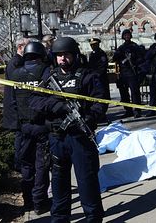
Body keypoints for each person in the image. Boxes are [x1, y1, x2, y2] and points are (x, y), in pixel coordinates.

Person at [30, 37, 106, 221]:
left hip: (80, 138)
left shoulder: (87, 76)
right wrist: (58, 107)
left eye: (66, 55)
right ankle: (59, 218)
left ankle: (93, 218)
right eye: (59, 56)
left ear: (75, 55)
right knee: (59, 183)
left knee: (87, 182)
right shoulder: (49, 78)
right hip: (57, 138)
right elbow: (34, 100)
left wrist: (89, 117)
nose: (62, 59)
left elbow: (100, 102)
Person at [11, 42, 51, 215]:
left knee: (27, 165)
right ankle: (39, 202)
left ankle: (28, 201)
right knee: (42, 165)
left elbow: (12, 101)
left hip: (23, 126)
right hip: (42, 126)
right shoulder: (45, 71)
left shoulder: (15, 74)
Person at [2, 37, 30, 172]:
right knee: (20, 138)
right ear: (20, 47)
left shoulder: (20, 61)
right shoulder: (15, 63)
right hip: (15, 107)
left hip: (20, 106)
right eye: (27, 46)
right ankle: (19, 165)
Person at [113, 29, 144, 118]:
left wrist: (135, 61)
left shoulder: (135, 46)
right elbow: (114, 58)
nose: (126, 36)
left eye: (128, 35)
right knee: (124, 93)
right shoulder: (121, 47)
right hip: (123, 73)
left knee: (135, 93)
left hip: (132, 73)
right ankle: (128, 110)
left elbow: (141, 58)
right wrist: (118, 53)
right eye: (125, 35)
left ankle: (137, 110)